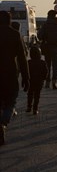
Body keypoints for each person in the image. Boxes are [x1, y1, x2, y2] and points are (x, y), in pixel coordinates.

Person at [0, 10, 29, 145]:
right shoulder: (14, 34)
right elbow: (22, 58)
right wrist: (26, 77)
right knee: (11, 100)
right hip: (10, 71)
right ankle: (4, 122)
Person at [39, 10, 57, 89]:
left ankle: (47, 82)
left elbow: (39, 36)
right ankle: (54, 82)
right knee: (55, 66)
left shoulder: (45, 25)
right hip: (56, 48)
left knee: (47, 65)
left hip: (47, 47)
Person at [27, 46, 48, 115]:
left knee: (30, 93)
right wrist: (44, 78)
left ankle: (29, 106)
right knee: (37, 95)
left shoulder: (29, 62)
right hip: (39, 81)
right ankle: (35, 109)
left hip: (31, 81)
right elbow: (46, 71)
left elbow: (26, 72)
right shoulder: (42, 62)